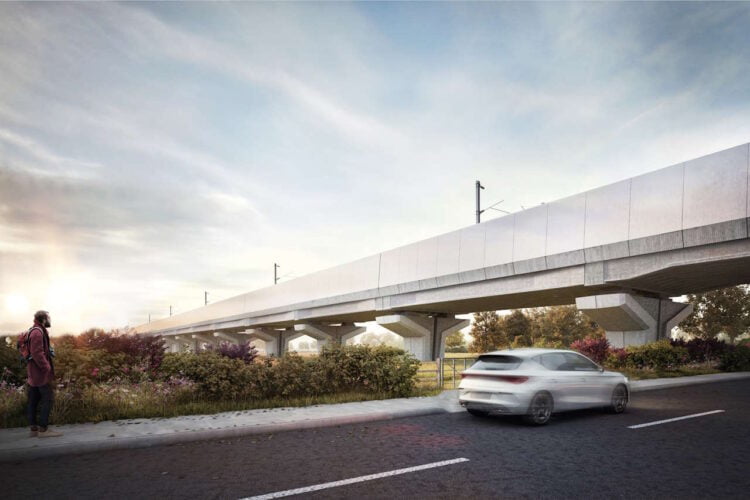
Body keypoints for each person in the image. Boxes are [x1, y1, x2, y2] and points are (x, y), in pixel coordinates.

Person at [27, 310, 63, 438]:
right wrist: (46, 367)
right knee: (48, 398)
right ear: (43, 319)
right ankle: (43, 430)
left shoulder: (35, 330)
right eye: (49, 318)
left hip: (33, 371)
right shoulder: (37, 332)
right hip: (39, 372)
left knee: (34, 399)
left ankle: (33, 430)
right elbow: (37, 353)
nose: (50, 321)